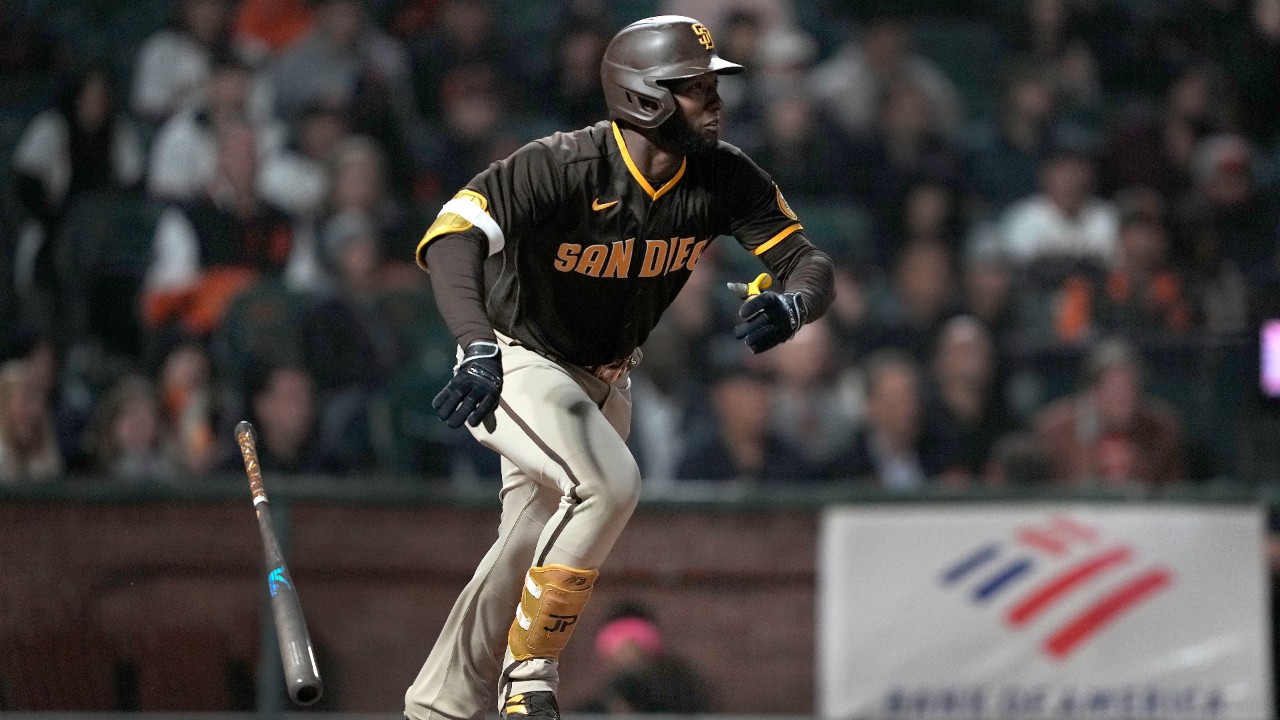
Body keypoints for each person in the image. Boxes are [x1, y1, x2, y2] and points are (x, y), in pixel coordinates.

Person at [403, 16, 834, 720]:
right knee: (608, 484)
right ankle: (528, 679)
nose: (715, 100)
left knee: (522, 548)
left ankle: (436, 707)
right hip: (517, 359)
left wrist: (795, 305)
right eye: (696, 88)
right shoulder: (564, 163)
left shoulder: (722, 176)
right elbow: (453, 237)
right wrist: (475, 343)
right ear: (644, 98)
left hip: (607, 381)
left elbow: (806, 261)